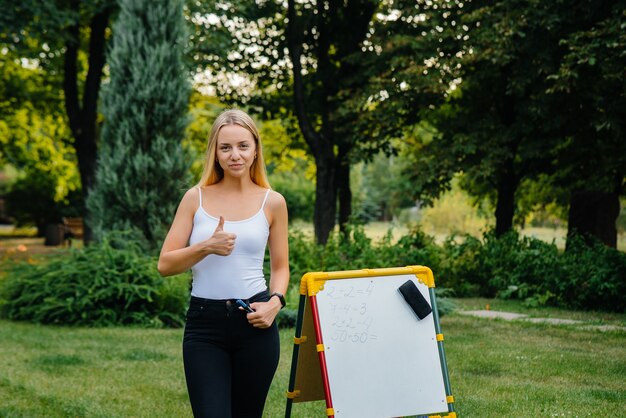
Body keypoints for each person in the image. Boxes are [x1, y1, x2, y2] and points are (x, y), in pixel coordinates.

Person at [157, 109, 289, 418]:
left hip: (255, 321)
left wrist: (275, 302)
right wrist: (205, 247)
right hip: (205, 326)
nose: (235, 155)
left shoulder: (273, 202)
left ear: (255, 149)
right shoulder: (195, 198)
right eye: (225, 147)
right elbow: (165, 264)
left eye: (243, 146)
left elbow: (281, 266)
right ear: (214, 153)